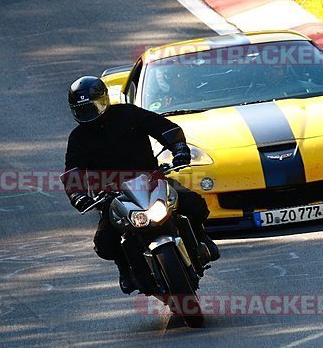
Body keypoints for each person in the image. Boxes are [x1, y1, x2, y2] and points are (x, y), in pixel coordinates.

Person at [62, 76, 220, 294]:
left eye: (93, 107)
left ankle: (201, 238)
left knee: (195, 204)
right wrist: (78, 195)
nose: (89, 114)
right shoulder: (78, 138)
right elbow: (73, 172)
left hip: (152, 180)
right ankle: (125, 269)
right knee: (105, 243)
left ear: (105, 100)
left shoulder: (128, 114)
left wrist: (179, 148)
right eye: (83, 110)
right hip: (113, 195)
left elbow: (164, 128)